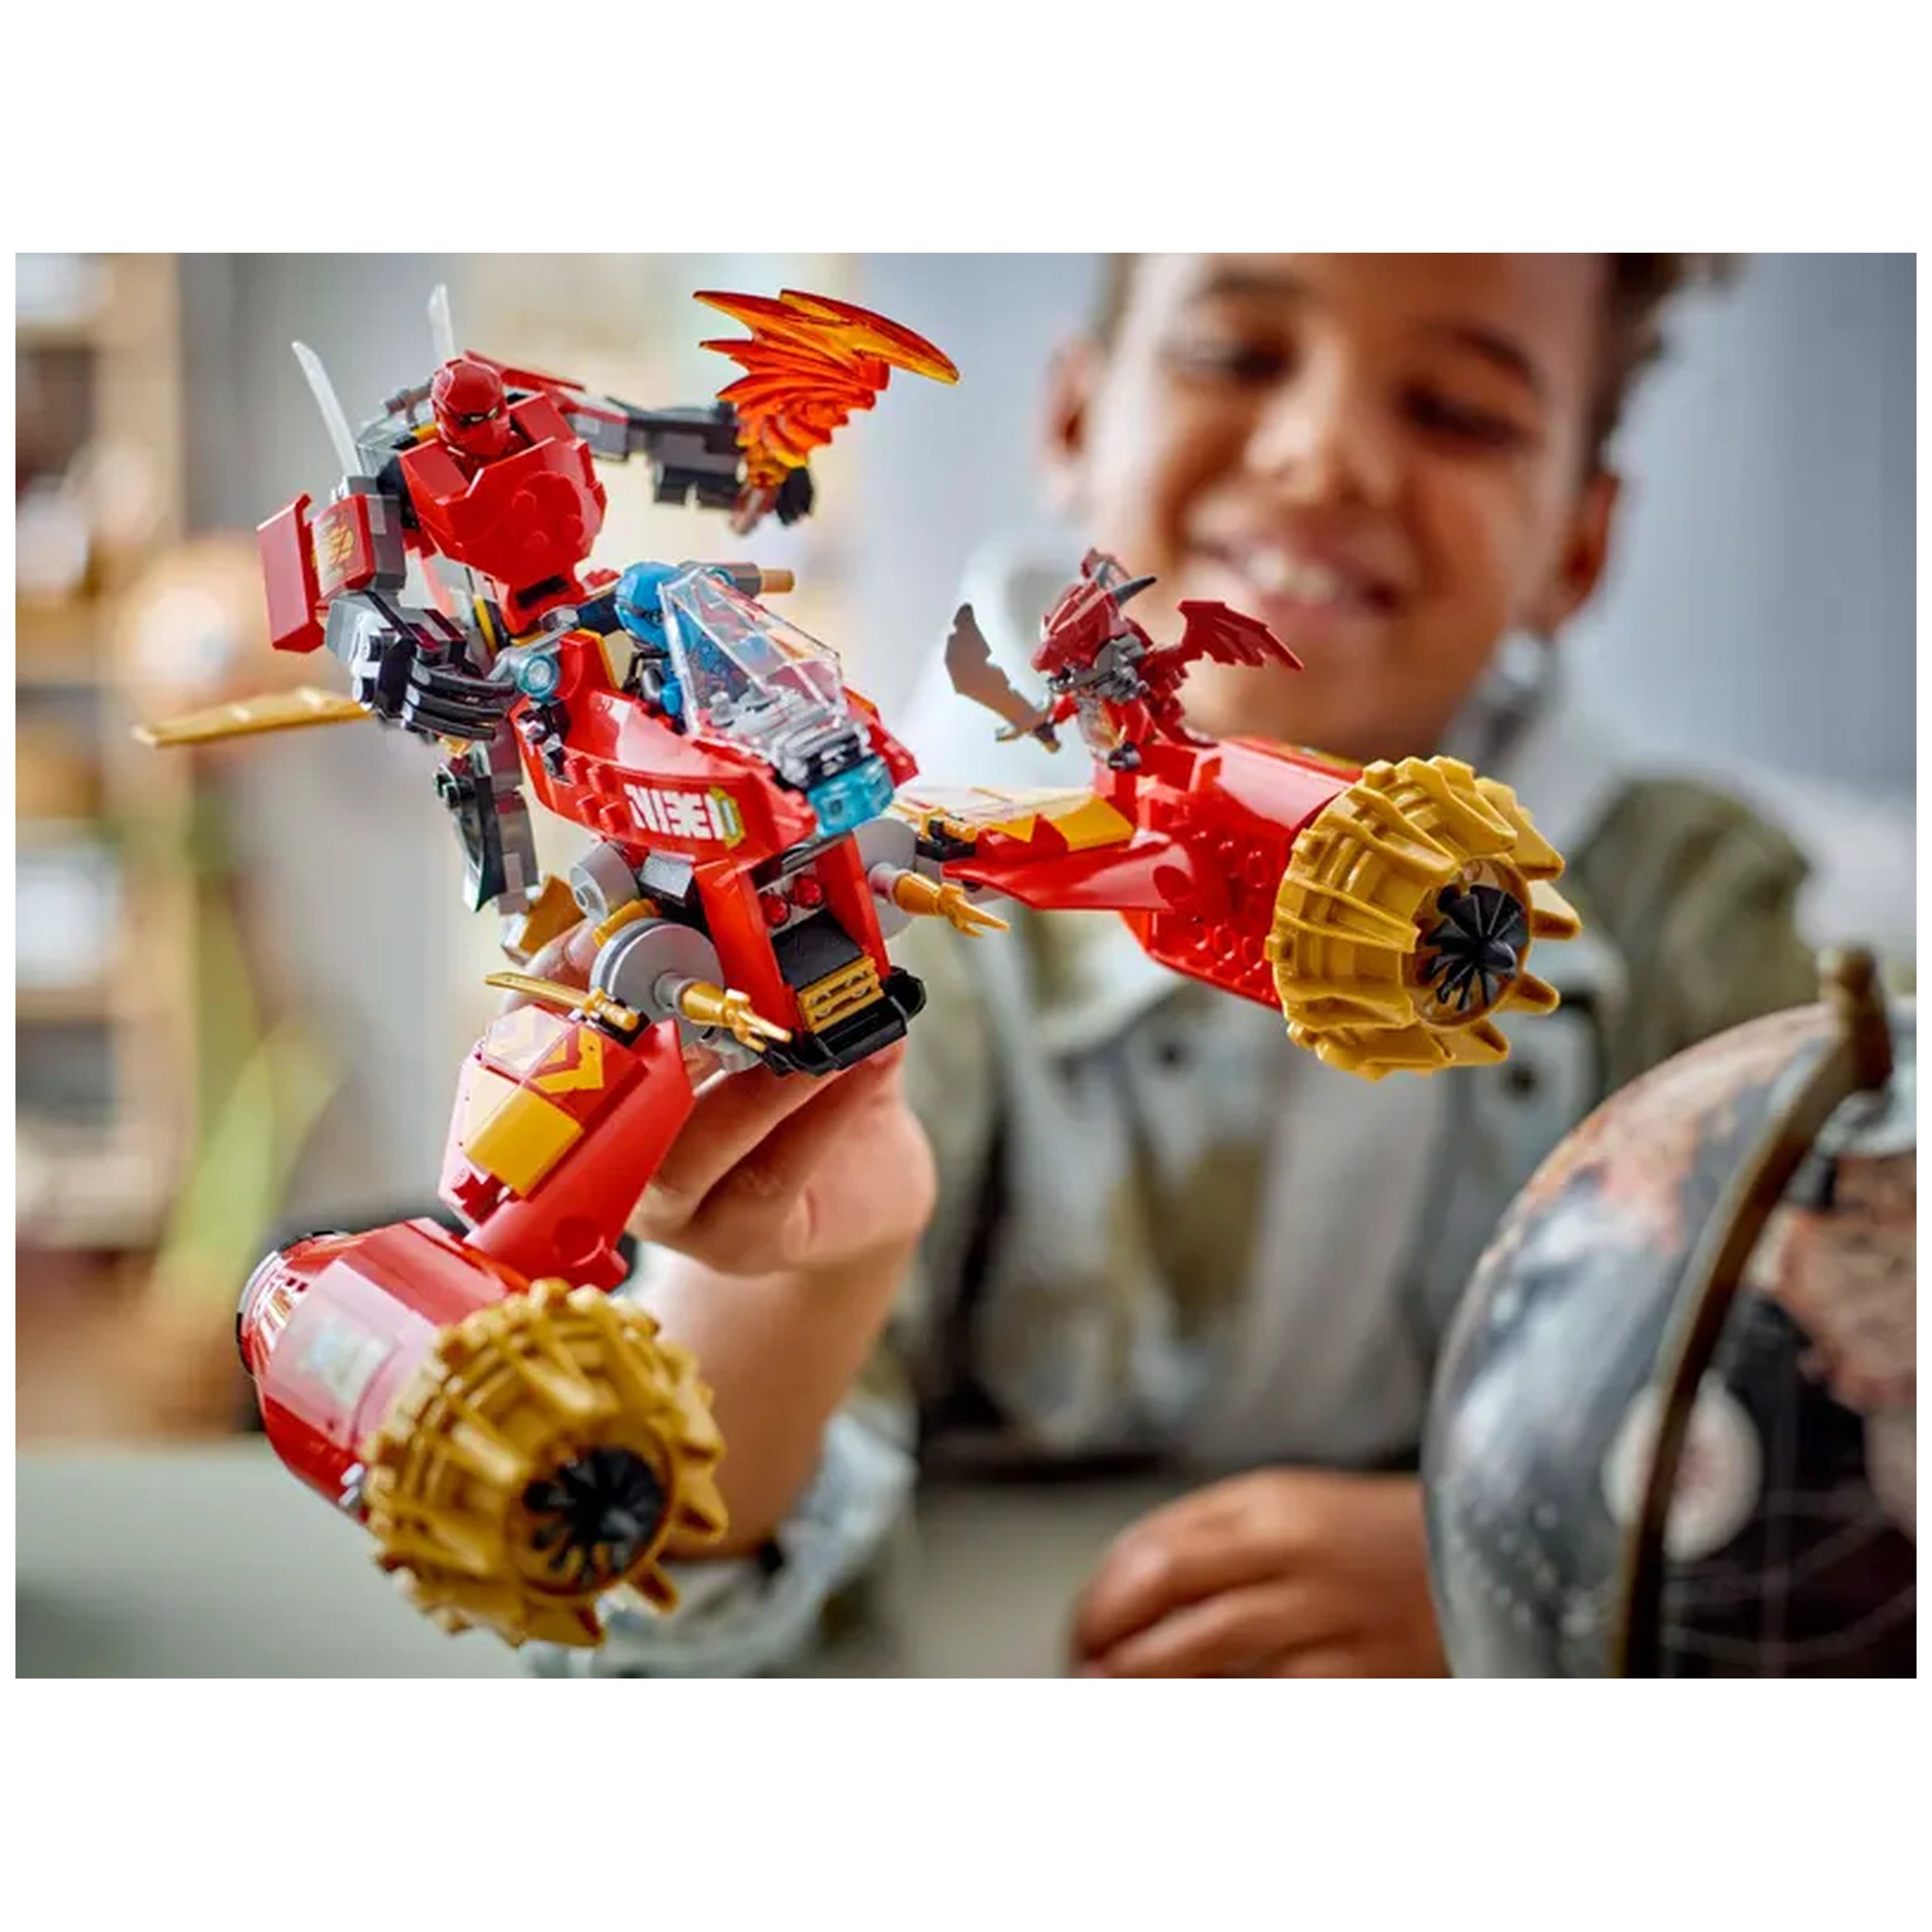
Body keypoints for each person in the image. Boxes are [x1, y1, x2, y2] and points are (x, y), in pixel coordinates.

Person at [526, 254, 1824, 1679]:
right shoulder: (894, 911)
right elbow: (639, 1617)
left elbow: (1834, 1420)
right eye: (1236, 355)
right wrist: (807, 1274)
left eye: (1458, 412)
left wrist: (1531, 1558)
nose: (1322, 454)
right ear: (1076, 420)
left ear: (1579, 541)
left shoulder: (1692, 909)